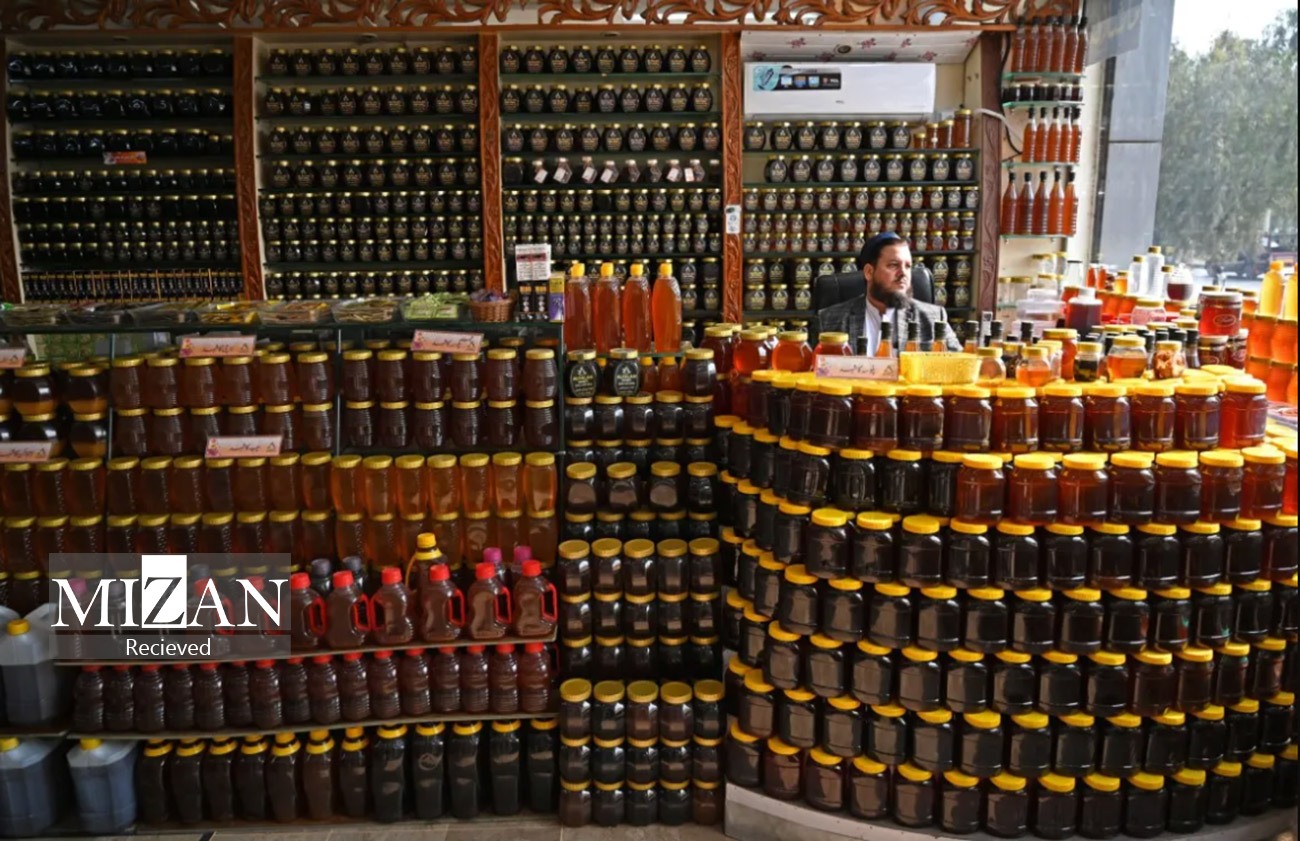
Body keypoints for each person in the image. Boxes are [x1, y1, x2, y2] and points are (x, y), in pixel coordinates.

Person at [817, 232, 963, 352]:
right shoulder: (829, 321)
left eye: (907, 266)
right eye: (894, 265)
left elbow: (962, 368)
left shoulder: (933, 318)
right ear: (869, 272)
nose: (903, 273)